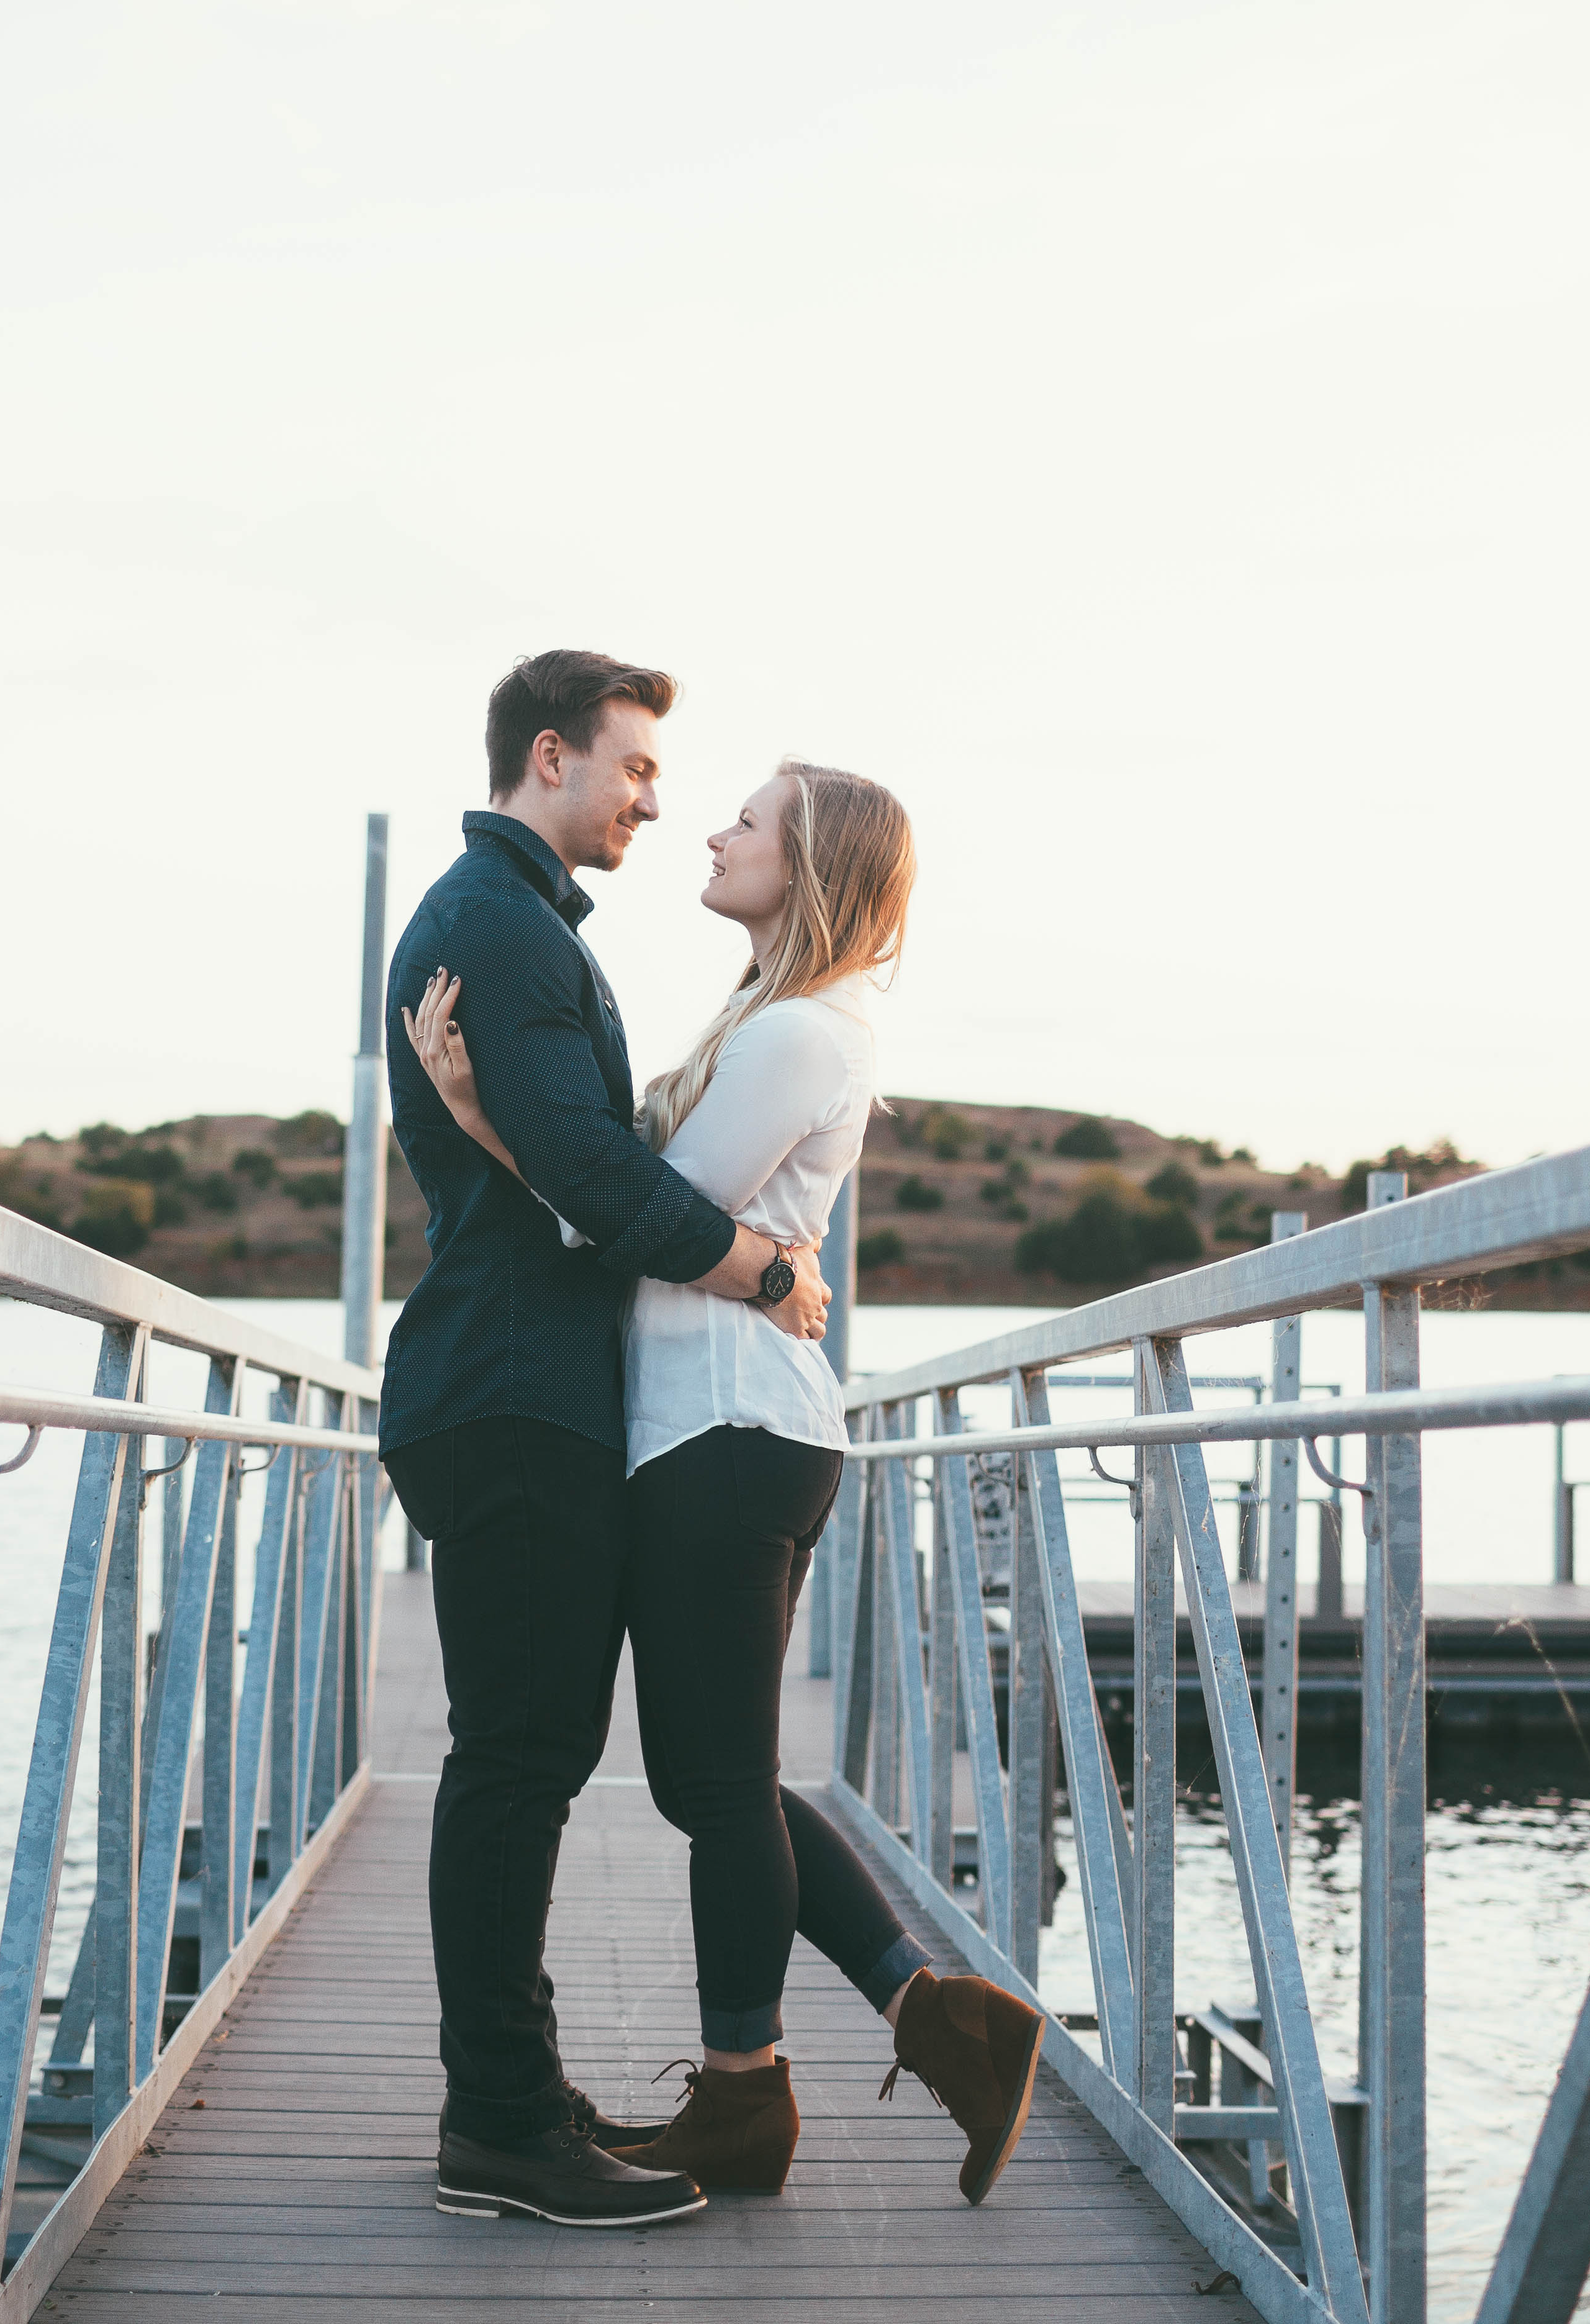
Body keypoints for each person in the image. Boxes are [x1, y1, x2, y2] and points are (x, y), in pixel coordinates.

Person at [407, 757, 1046, 2209]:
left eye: (747, 821)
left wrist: (484, 1118)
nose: (712, 828)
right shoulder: (767, 1020)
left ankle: (746, 2092)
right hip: (706, 1428)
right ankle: (926, 2018)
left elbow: (639, 1216)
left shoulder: (807, 1034)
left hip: (731, 1432)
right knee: (719, 1782)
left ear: (810, 863)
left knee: (718, 1790)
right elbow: (645, 1194)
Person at [378, 649, 832, 2231]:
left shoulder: (510, 922)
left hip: (523, 1388)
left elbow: (561, 1161)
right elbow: (594, 1171)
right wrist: (769, 1271)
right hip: (511, 1394)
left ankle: (509, 2095)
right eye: (636, 767)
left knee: (531, 1762)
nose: (656, 799)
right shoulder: (500, 925)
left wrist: (517, 1140)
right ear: (553, 757)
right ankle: (500, 2124)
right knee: (517, 1766)